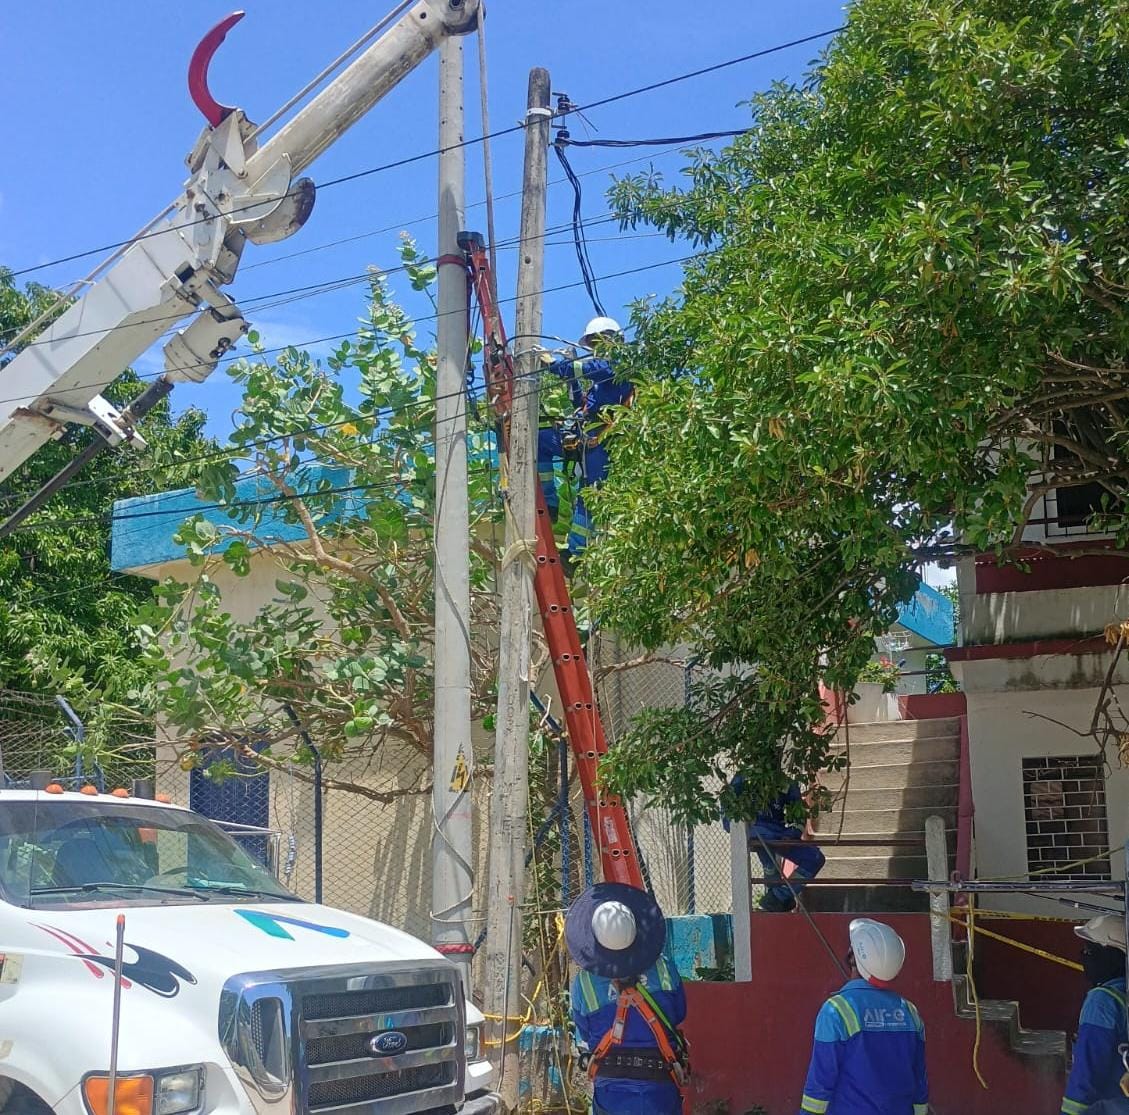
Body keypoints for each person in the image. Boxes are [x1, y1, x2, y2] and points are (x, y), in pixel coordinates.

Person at [566, 882, 688, 1115]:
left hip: (611, 1092)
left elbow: (584, 1033)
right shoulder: (664, 968)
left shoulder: (585, 982)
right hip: (660, 1087)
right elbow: (679, 1013)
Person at [799, 918, 929, 1115]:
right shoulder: (910, 1013)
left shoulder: (836, 1010)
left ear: (852, 957)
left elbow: (819, 1085)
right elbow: (919, 1083)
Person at [539, 317, 634, 571]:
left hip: (602, 443)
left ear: (613, 339)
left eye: (597, 341)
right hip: (582, 438)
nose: (595, 347)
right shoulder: (600, 381)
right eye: (592, 343)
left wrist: (554, 364)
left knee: (590, 496)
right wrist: (571, 381)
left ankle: (575, 552)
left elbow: (583, 368)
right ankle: (549, 504)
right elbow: (580, 403)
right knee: (540, 440)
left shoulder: (617, 365)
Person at [723, 776, 826, 912]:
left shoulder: (786, 783)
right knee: (770, 868)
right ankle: (774, 894)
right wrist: (746, 830)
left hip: (779, 835)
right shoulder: (742, 779)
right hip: (758, 834)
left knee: (815, 858)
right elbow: (727, 820)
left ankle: (778, 896)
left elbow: (798, 815)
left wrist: (791, 835)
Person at [1061, 914, 1128, 1115]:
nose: (1084, 956)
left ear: (1112, 956)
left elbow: (1087, 1072)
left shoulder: (1102, 1001)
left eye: (1090, 951)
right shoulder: (1123, 993)